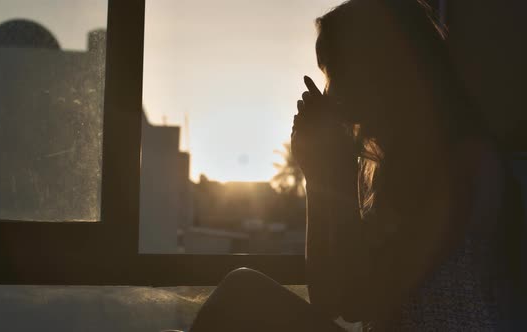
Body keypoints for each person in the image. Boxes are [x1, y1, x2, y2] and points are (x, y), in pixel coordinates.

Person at [188, 0, 521, 331]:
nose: (329, 92)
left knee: (243, 292)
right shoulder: (383, 168)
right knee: (239, 293)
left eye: (334, 72)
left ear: (374, 71)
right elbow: (330, 298)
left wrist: (333, 168)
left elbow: (363, 299)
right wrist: (317, 179)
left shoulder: (464, 164)